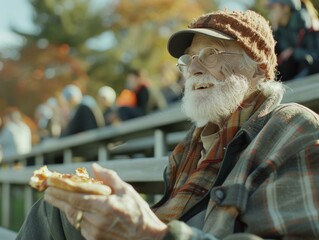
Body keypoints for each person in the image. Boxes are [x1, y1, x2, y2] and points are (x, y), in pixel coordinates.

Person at [16, 9, 319, 239]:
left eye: (210, 54)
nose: (194, 68)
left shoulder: (292, 128)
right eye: (189, 60)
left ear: (257, 69)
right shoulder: (192, 145)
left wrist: (148, 232)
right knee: (57, 209)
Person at [267, 0, 319, 81]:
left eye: (273, 8)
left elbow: (315, 59)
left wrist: (294, 52)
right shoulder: (279, 33)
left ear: (286, 8)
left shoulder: (311, 27)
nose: (270, 13)